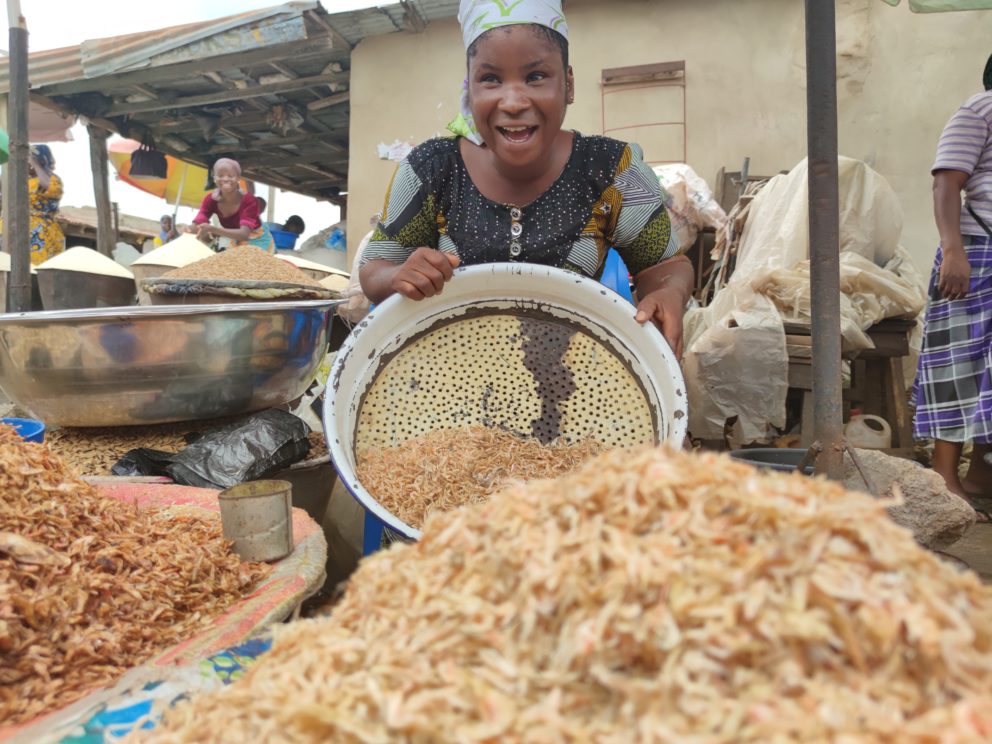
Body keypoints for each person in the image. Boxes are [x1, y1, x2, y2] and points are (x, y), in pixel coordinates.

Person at [359, 0, 693, 357]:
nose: (514, 101)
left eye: (535, 77)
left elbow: (664, 265)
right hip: (452, 386)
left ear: (568, 84)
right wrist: (399, 277)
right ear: (469, 90)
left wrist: (667, 293)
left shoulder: (614, 169)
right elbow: (374, 270)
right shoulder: (429, 169)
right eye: (491, 79)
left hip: (576, 384)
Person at [913, 53, 992, 518]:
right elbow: (947, 185)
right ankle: (945, 477)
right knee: (956, 362)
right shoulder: (980, 109)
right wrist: (953, 249)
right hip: (975, 251)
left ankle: (982, 470)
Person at [186, 158, 274, 252]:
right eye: (221, 175)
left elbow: (244, 234)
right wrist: (189, 228)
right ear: (215, 178)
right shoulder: (211, 200)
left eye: (230, 176)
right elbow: (200, 219)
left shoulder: (249, 201)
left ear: (238, 178)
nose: (225, 179)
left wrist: (212, 229)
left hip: (258, 240)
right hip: (237, 240)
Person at [0, 145, 66, 265]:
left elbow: (46, 186)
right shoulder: (21, 180)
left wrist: (36, 164)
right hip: (11, 231)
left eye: (28, 159)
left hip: (37, 234)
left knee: (32, 271)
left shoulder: (52, 180)